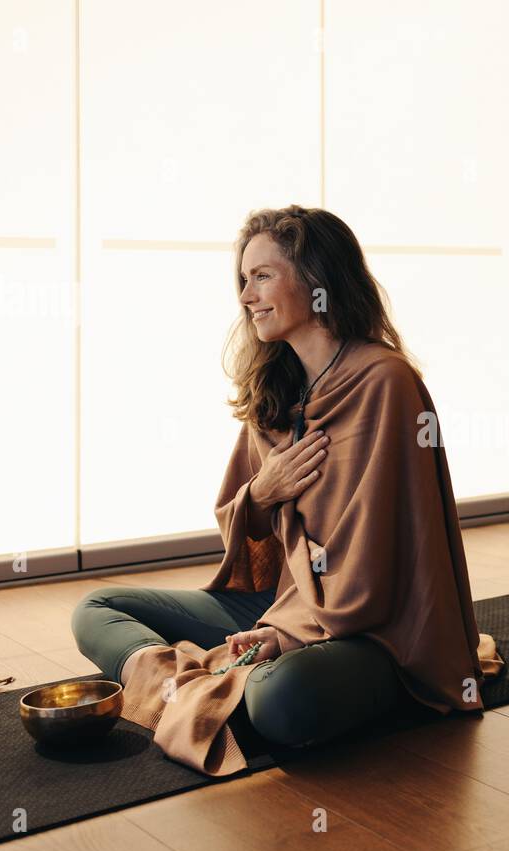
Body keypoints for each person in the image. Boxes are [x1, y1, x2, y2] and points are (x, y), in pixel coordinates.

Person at [71, 205, 447, 750]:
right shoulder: (278, 389)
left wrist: (288, 634)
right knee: (97, 609)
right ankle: (190, 688)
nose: (246, 296)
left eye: (262, 276)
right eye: (244, 280)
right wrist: (262, 492)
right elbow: (241, 529)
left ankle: (201, 685)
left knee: (282, 701)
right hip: (280, 596)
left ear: (317, 279)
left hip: (369, 625)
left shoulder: (385, 383)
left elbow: (383, 560)